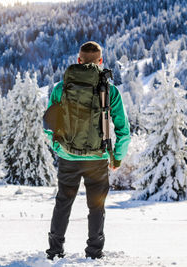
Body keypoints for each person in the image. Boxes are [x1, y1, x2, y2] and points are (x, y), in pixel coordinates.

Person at [44, 41, 131, 260]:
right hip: (98, 158)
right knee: (96, 206)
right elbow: (123, 131)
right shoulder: (110, 91)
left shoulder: (60, 87)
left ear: (78, 60)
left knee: (63, 202)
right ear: (100, 62)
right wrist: (116, 158)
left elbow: (49, 124)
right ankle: (94, 252)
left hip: (67, 157)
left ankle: (55, 251)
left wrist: (58, 147)